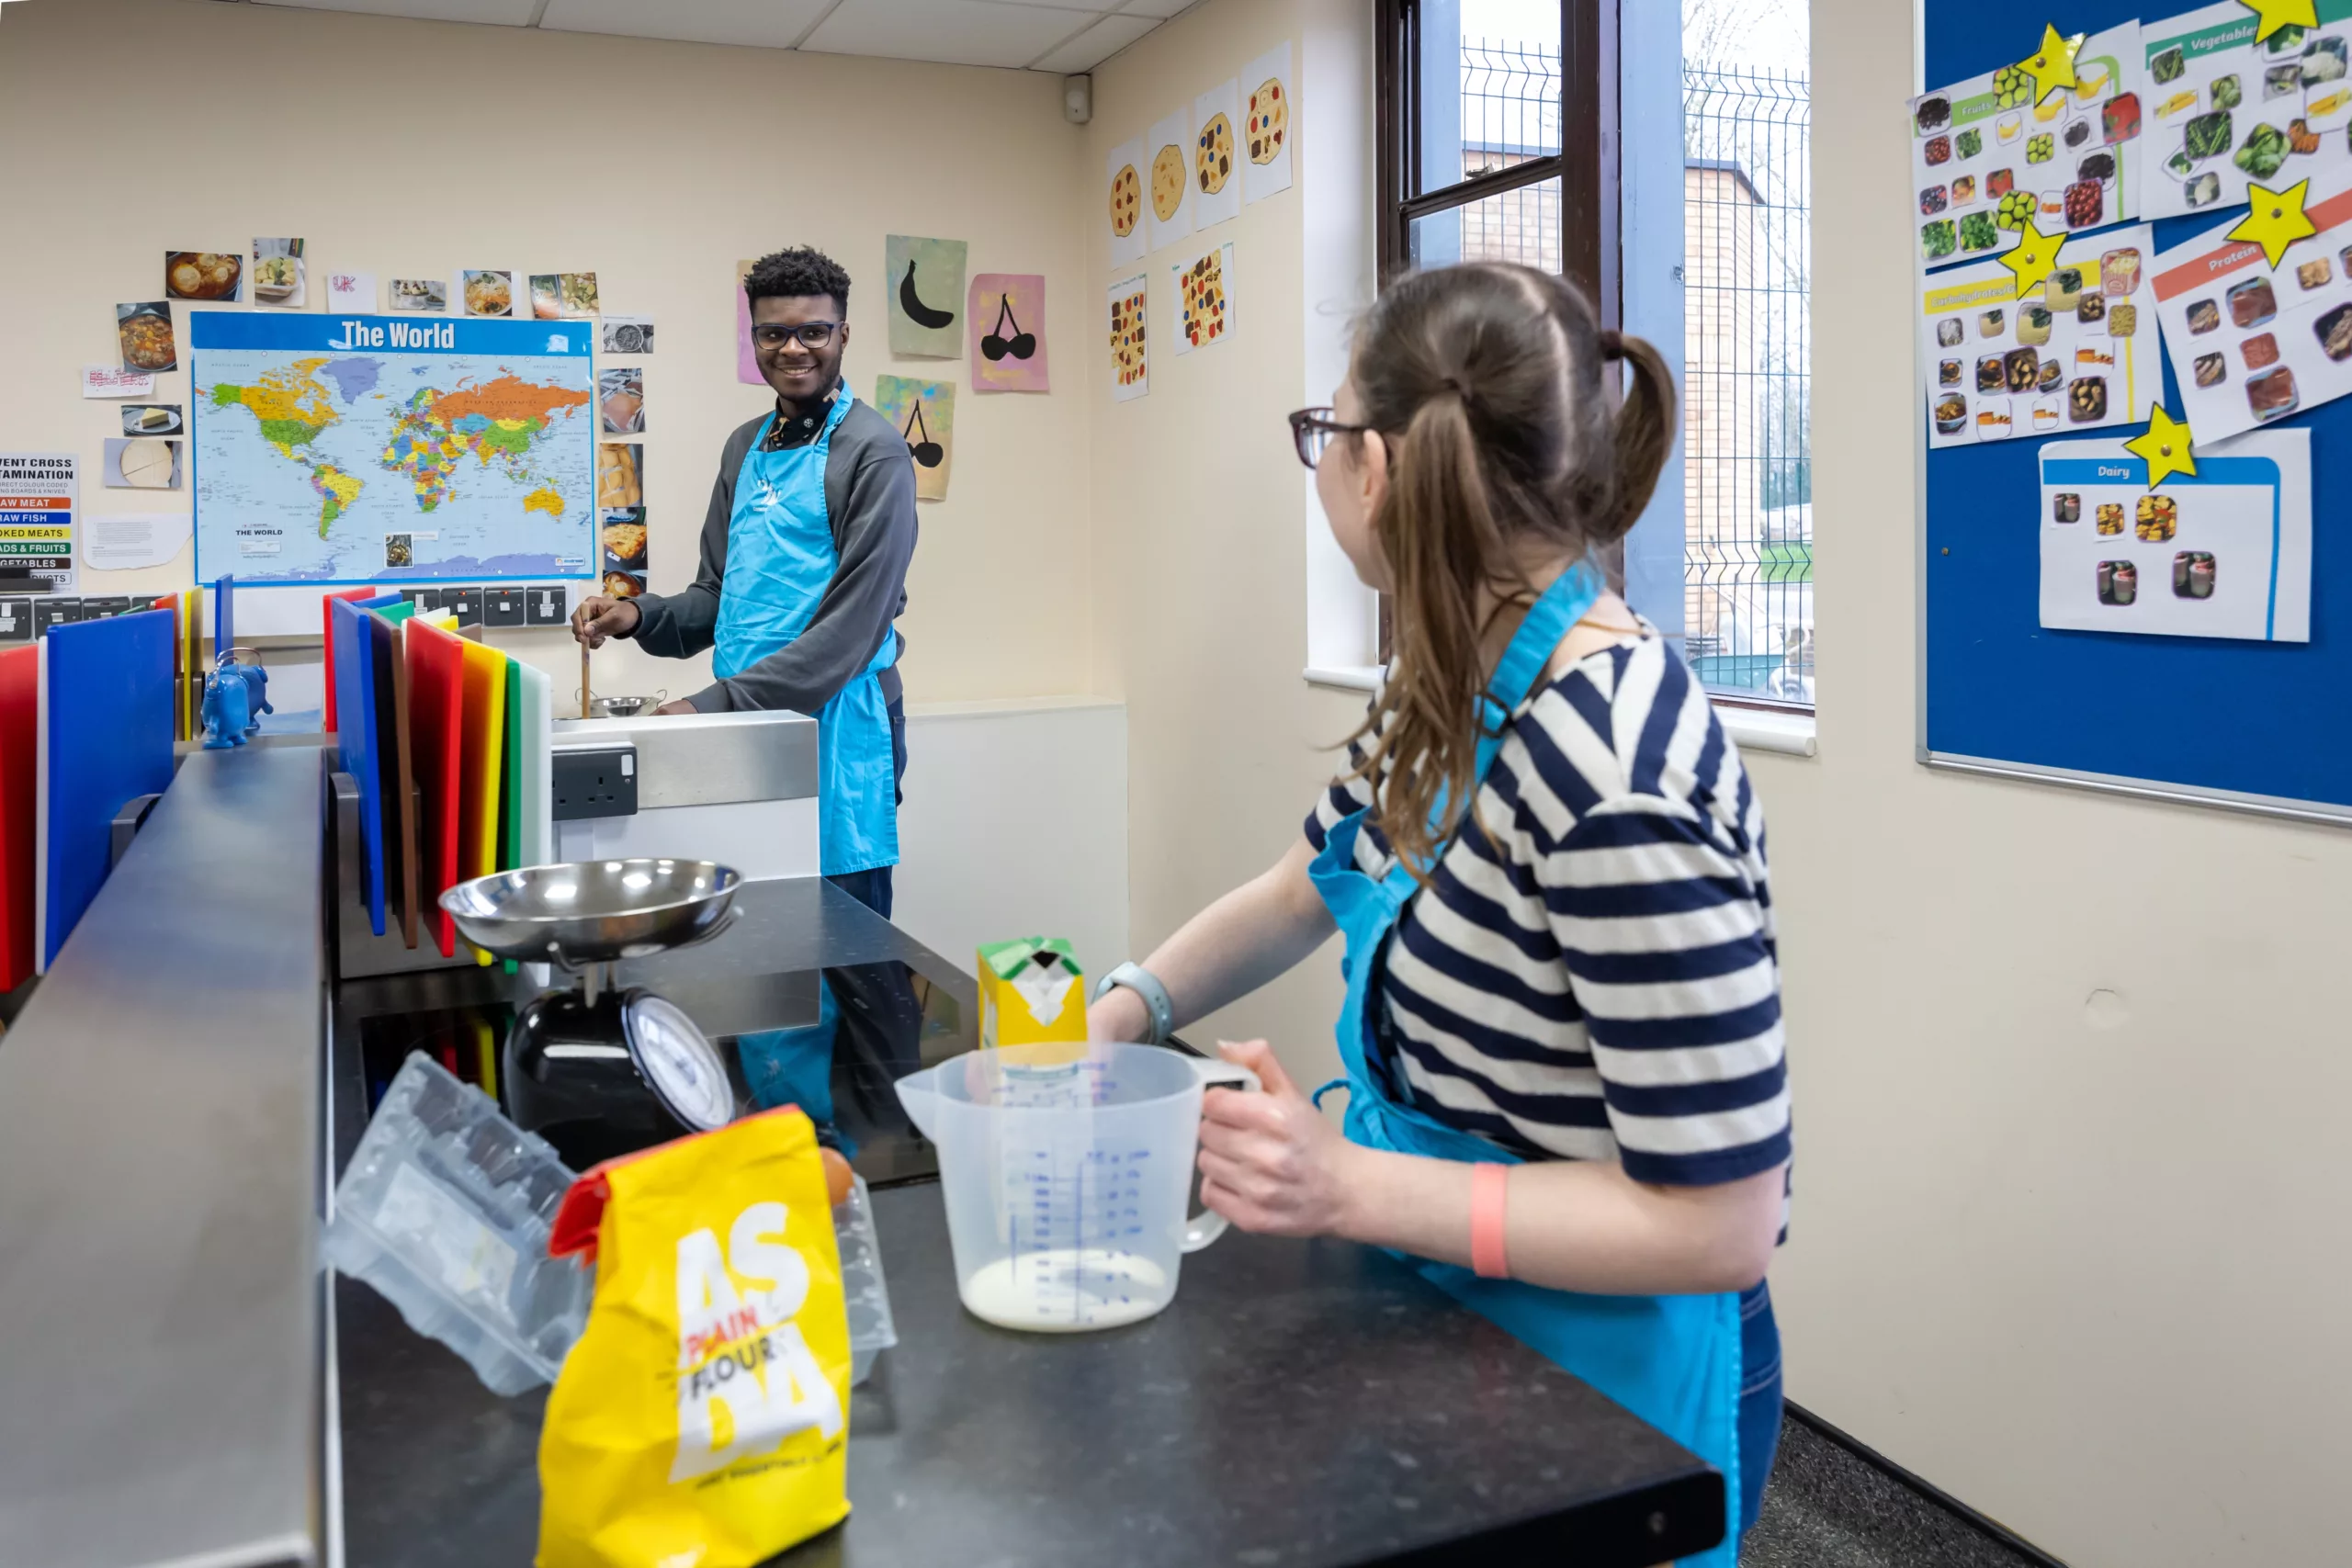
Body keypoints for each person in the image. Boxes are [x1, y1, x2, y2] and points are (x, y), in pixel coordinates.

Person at [1086, 262, 1791, 1559]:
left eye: (1326, 429)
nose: (1321, 461)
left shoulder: (1616, 772)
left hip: (1605, 1366)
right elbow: (1306, 885)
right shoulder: (1448, 680)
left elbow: (1719, 1223)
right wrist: (1120, 1014)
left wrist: (1345, 1183)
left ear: (1376, 469)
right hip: (1449, 1303)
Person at [571, 246, 917, 917]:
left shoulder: (874, 452)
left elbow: (849, 634)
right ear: (754, 339)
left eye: (813, 331)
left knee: (842, 932)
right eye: (773, 332)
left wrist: (711, 707)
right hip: (747, 723)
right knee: (760, 921)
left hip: (836, 724)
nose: (793, 348)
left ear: (843, 334)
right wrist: (638, 615)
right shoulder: (745, 447)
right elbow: (717, 596)